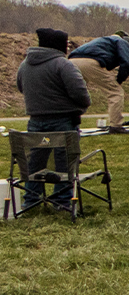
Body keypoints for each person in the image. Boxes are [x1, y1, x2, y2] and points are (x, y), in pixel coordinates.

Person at [13, 28, 91, 213]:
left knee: (35, 162)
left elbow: (20, 86)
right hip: (64, 120)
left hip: (35, 121)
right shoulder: (63, 64)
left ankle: (31, 199)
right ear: (59, 45)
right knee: (64, 162)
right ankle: (62, 200)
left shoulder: (25, 64)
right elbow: (80, 93)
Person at [67, 30, 129, 133]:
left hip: (71, 62)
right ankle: (116, 126)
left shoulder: (102, 40)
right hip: (89, 62)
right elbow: (127, 62)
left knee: (75, 95)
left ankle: (69, 125)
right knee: (115, 92)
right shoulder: (121, 41)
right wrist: (119, 80)